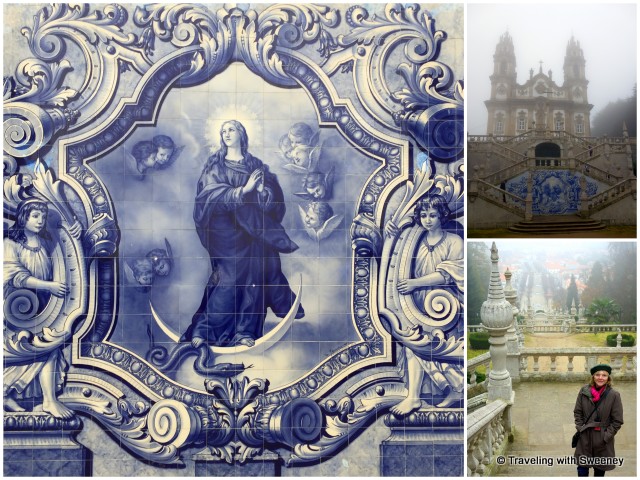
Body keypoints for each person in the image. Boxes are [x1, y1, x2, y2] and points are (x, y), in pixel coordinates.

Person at [183, 120, 304, 348]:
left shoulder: (255, 166)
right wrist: (242, 191)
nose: (226, 133)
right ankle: (205, 329)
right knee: (228, 280)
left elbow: (273, 202)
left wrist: (261, 193)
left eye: (231, 129)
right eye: (223, 130)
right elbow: (207, 197)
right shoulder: (215, 166)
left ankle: (245, 331)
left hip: (254, 231)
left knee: (254, 279)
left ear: (242, 134)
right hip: (227, 234)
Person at [387, 194, 464, 415]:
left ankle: (454, 387)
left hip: (445, 305)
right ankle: (414, 397)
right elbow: (397, 258)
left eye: (432, 215)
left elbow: (447, 275)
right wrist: (392, 233)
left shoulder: (454, 242)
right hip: (416, 301)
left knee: (429, 346)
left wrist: (414, 283)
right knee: (413, 344)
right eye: (423, 215)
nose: (427, 220)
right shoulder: (415, 241)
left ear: (442, 216)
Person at [3, 198, 73, 419]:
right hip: (13, 311)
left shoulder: (45, 242)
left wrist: (76, 229)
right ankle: (45, 400)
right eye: (35, 216)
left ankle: (12, 394)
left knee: (47, 345)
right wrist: (49, 286)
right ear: (23, 217)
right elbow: (16, 277)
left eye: (43, 216)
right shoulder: (10, 243)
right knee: (43, 347)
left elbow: (68, 244)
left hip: (40, 310)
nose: (40, 220)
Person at [574, 364, 624, 477]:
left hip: (603, 439)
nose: (600, 377)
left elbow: (617, 420)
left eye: (604, 375)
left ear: (608, 378)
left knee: (599, 471)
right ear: (593, 376)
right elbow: (578, 412)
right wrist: (580, 428)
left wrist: (606, 436)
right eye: (597, 375)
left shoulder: (614, 395)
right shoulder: (584, 391)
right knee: (582, 469)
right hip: (585, 436)